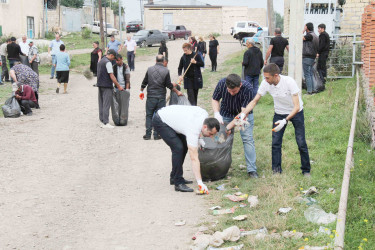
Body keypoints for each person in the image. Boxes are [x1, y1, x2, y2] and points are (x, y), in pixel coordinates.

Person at [227, 64, 311, 176]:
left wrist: (285, 120)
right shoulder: (266, 83)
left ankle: (306, 170)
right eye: (264, 77)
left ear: (276, 75)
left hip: (296, 112)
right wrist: (243, 114)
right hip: (279, 113)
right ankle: (276, 171)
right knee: (276, 143)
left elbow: (296, 106)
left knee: (301, 142)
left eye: (267, 77)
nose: (265, 80)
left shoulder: (289, 82)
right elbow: (254, 101)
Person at [152, 105, 220, 192]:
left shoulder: (205, 117)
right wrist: (200, 182)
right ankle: (178, 182)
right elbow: (194, 158)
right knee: (178, 148)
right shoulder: (193, 128)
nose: (211, 137)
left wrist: (200, 140)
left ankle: (174, 177)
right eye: (210, 134)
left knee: (184, 146)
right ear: (205, 127)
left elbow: (199, 130)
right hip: (161, 120)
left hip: (174, 118)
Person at [212, 74, 258, 178]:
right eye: (229, 91)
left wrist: (228, 127)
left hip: (243, 115)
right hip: (225, 113)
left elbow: (243, 113)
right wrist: (216, 113)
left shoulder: (248, 88)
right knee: (221, 139)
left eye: (234, 91)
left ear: (240, 85)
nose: (232, 93)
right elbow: (215, 99)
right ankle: (220, 168)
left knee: (247, 139)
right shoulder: (221, 84)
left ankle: (252, 170)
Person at [141, 55, 183, 140]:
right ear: (163, 61)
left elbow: (144, 82)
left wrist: (141, 91)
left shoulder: (149, 69)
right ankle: (156, 135)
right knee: (159, 116)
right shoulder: (166, 71)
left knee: (149, 115)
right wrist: (177, 91)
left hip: (151, 96)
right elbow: (169, 85)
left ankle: (148, 134)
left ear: (155, 60)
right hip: (161, 97)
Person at [96, 49, 124, 129]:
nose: (113, 60)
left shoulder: (101, 61)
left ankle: (101, 121)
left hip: (100, 85)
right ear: (111, 55)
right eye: (113, 58)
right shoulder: (108, 63)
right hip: (107, 86)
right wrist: (118, 86)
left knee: (101, 104)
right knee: (106, 104)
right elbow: (111, 76)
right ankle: (106, 122)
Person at [302, 22, 319, 95]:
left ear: (307, 27)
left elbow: (299, 37)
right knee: (311, 74)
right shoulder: (315, 35)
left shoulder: (309, 36)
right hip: (313, 57)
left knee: (307, 74)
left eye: (305, 27)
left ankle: (309, 91)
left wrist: (303, 31)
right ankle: (313, 89)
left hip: (307, 57)